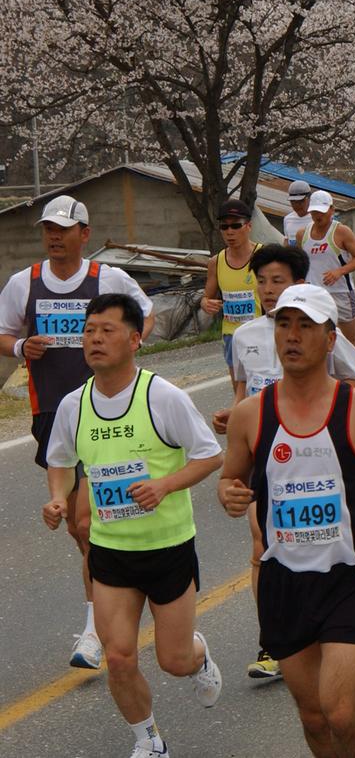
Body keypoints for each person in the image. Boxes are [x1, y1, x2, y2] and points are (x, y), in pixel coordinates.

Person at [218, 285, 355, 758]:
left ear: (331, 339)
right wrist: (229, 494)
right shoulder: (251, 414)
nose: (291, 336)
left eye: (305, 326)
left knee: (341, 713)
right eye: (284, 324)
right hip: (283, 582)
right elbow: (231, 478)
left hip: (349, 578)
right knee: (313, 718)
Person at [41, 293, 223, 758]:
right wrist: (58, 498)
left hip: (167, 547)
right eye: (89, 331)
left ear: (135, 339)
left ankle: (199, 656)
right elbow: (60, 461)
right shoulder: (73, 405)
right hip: (110, 551)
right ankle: (150, 740)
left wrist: (164, 485)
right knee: (119, 656)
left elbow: (209, 454)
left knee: (174, 660)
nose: (95, 339)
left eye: (107, 330)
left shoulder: (162, 396)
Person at [0, 195, 154, 670]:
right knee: (80, 526)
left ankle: (95, 629)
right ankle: (133, 598)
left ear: (83, 235)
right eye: (48, 228)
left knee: (88, 521)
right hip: (52, 417)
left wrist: (127, 349)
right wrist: (23, 345)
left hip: (108, 413)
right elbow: (3, 334)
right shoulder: (22, 282)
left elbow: (144, 314)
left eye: (64, 229)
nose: (54, 235)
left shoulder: (107, 279)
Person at [210, 247, 355, 679]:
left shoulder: (318, 329)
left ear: (298, 283)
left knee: (302, 543)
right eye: (261, 281)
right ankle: (272, 641)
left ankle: (326, 627)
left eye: (277, 281)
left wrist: (331, 415)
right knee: (262, 548)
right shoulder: (244, 337)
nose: (267, 289)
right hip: (267, 454)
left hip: (316, 455)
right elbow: (243, 393)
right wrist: (233, 417)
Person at [297, 190, 355, 351]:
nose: (317, 216)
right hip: (314, 295)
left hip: (340, 293)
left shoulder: (342, 231)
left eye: (321, 211)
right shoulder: (303, 234)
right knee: (320, 342)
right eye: (314, 212)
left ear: (331, 210)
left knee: (349, 342)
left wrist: (339, 271)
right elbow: (300, 262)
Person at [202, 199, 262, 382]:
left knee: (265, 389)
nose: (230, 232)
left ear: (248, 226)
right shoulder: (216, 262)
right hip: (232, 336)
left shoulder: (264, 255)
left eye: (236, 225)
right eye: (224, 227)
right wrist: (206, 304)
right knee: (240, 392)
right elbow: (206, 297)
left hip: (261, 333)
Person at [284, 181, 313, 246]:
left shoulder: (317, 219)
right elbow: (286, 240)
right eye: (293, 201)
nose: (296, 205)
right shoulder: (288, 219)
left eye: (300, 201)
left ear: (309, 198)